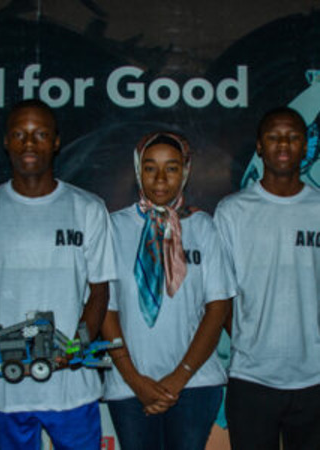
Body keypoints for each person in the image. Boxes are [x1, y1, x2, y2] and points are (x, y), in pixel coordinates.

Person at [0, 99, 116, 450]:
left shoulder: (87, 208)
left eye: (40, 134)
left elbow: (100, 291)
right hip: (7, 393)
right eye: (20, 134)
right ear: (6, 141)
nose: (29, 143)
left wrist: (78, 344)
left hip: (73, 389)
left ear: (55, 142)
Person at [102, 131, 237, 450]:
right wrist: (135, 380)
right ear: (138, 171)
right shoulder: (113, 227)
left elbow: (218, 308)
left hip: (195, 383)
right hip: (129, 385)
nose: (160, 178)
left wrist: (179, 377)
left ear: (185, 172)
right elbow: (105, 310)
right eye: (150, 167)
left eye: (172, 168)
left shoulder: (203, 227)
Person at [214, 107, 320, 450]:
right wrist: (248, 341)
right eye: (274, 137)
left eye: (293, 136)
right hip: (252, 378)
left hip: (315, 378)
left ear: (307, 145)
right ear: (260, 146)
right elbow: (220, 295)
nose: (283, 144)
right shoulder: (232, 211)